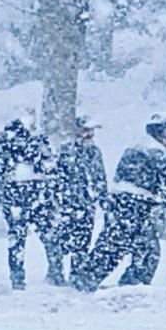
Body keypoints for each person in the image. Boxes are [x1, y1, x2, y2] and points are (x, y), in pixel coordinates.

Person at [102, 116, 166, 288]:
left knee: (114, 248)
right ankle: (131, 285)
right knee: (145, 251)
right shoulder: (154, 150)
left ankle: (87, 279)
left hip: (125, 203)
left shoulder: (143, 146)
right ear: (163, 131)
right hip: (133, 204)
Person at [44, 118, 109, 289]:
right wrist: (57, 200)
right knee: (58, 240)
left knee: (83, 242)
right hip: (67, 204)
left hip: (86, 204)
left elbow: (99, 178)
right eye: (86, 130)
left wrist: (103, 200)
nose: (89, 135)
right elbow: (56, 179)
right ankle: (55, 272)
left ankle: (77, 275)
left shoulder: (94, 152)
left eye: (91, 131)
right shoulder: (65, 151)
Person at [0, 113, 49, 289]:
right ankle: (55, 270)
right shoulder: (36, 144)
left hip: (15, 195)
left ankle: (17, 277)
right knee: (46, 235)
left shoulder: (3, 145)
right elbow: (49, 167)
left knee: (17, 240)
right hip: (33, 194)